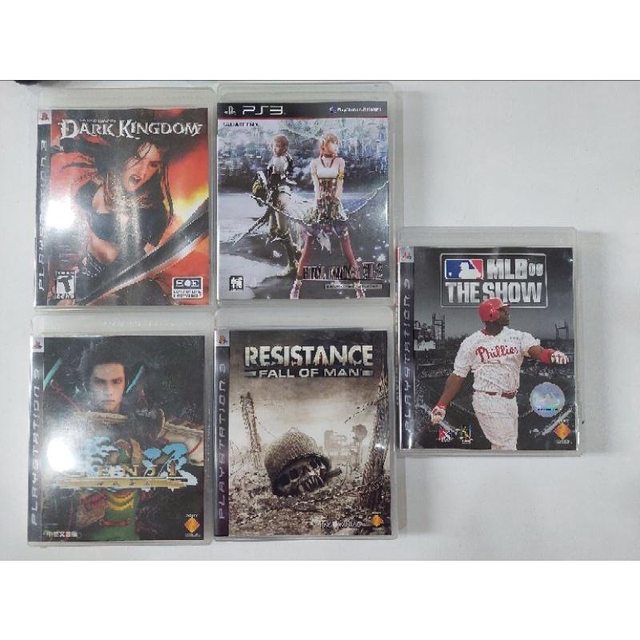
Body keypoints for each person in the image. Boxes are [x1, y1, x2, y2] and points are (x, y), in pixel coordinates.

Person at [429, 298, 569, 450]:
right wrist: (441, 405)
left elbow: (537, 351)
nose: (507, 313)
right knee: (507, 446)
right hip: (487, 401)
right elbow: (458, 375)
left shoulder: (517, 337)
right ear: (491, 314)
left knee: (502, 446)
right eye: (502, 310)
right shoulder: (471, 343)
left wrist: (551, 354)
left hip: (510, 401)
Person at [289, 133, 365, 299]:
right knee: (307, 249)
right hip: (319, 207)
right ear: (324, 145)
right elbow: (316, 187)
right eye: (333, 143)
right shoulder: (315, 163)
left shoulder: (340, 162)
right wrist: (320, 204)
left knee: (348, 250)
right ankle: (297, 286)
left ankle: (358, 287)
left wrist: (335, 201)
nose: (336, 146)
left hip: (336, 206)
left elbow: (340, 184)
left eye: (337, 143)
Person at [252, 134, 299, 273]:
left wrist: (268, 189)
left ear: (285, 148)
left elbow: (277, 180)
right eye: (274, 146)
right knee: (273, 231)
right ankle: (295, 249)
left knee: (282, 231)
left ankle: (292, 264)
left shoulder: (281, 160)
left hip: (280, 195)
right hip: (276, 194)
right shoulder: (279, 158)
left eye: (279, 146)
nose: (275, 148)